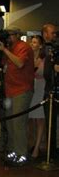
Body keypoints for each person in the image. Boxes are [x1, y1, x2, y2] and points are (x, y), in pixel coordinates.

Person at [0, 27, 34, 166]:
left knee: (18, 122)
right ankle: (13, 151)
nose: (8, 38)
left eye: (10, 35)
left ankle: (21, 154)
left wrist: (5, 51)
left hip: (22, 90)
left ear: (18, 35)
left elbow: (19, 63)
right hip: (10, 90)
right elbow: (2, 65)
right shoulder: (10, 48)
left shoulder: (23, 47)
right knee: (10, 123)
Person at [42, 23, 58, 160]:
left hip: (55, 91)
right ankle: (50, 154)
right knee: (49, 125)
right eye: (52, 33)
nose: (55, 36)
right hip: (49, 91)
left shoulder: (56, 49)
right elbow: (47, 73)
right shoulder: (42, 50)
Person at [28, 35, 46, 158]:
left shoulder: (44, 59)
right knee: (31, 119)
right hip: (30, 88)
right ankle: (32, 143)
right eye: (31, 42)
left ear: (40, 45)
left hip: (40, 88)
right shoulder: (28, 58)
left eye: (35, 42)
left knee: (40, 119)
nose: (32, 44)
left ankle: (37, 147)